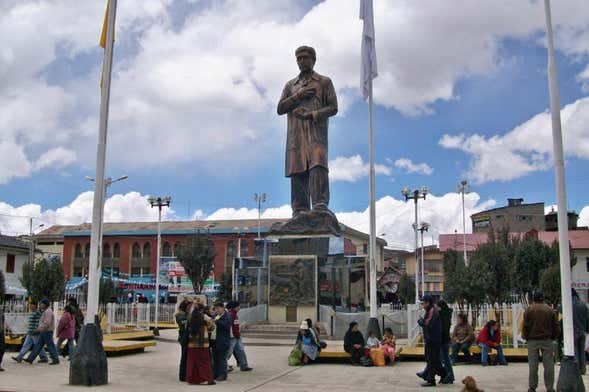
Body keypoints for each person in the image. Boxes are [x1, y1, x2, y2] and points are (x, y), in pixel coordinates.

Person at [276, 45, 339, 230]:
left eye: (305, 57)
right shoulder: (290, 85)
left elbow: (334, 107)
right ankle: (300, 210)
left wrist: (312, 114)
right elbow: (280, 108)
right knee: (297, 171)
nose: (302, 61)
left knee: (318, 166)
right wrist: (298, 96)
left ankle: (320, 205)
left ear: (313, 59)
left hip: (316, 134)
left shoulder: (324, 82)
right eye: (299, 58)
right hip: (296, 137)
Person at [522, 291, 559, 392]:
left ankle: (532, 387)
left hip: (532, 340)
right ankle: (550, 388)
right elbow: (555, 326)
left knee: (533, 365)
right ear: (543, 298)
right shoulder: (549, 310)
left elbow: (525, 326)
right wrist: (554, 337)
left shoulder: (529, 310)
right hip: (547, 340)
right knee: (549, 365)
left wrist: (525, 337)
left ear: (533, 299)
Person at [417, 295, 446, 387]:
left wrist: (420, 321)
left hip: (433, 339)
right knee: (433, 360)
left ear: (428, 303)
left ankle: (431, 380)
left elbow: (428, 323)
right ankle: (443, 374)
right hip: (431, 338)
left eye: (423, 303)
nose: (423, 305)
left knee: (432, 360)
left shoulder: (433, 311)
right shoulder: (430, 310)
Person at [185, 301, 215, 385]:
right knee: (204, 362)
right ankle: (206, 379)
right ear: (202, 309)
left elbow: (186, 327)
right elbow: (212, 327)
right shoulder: (204, 317)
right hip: (203, 343)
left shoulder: (190, 317)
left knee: (193, 362)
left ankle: (193, 379)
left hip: (192, 344)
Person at [25, 299, 60, 365]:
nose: (40, 305)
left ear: (45, 304)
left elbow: (46, 323)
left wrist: (38, 329)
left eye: (41, 304)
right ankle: (30, 358)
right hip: (44, 331)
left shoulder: (48, 312)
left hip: (47, 331)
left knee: (50, 346)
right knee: (38, 345)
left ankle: (55, 359)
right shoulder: (45, 311)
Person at [226, 301, 253, 372]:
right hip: (232, 337)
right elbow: (229, 326)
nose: (239, 308)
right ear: (234, 307)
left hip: (237, 336)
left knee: (240, 351)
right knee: (228, 352)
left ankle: (244, 365)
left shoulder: (234, 314)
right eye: (238, 306)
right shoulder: (231, 315)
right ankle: (224, 366)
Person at [212, 300, 231, 381]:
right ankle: (215, 374)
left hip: (223, 341)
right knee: (215, 359)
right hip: (215, 341)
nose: (217, 310)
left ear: (223, 308)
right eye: (215, 308)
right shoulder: (216, 316)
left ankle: (223, 374)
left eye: (218, 308)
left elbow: (226, 326)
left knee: (222, 359)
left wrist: (216, 322)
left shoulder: (227, 316)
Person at [572, 288, 589, 374]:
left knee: (575, 350)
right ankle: (583, 369)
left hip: (573, 331)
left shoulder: (569, 305)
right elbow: (587, 319)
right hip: (582, 331)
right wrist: (587, 330)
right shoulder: (583, 304)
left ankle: (577, 369)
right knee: (582, 350)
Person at [438, 299, 454, 384]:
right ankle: (447, 376)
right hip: (445, 339)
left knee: (445, 359)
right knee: (444, 359)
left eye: (438, 306)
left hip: (443, 340)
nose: (437, 308)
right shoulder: (446, 314)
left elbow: (443, 329)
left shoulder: (444, 316)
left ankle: (450, 376)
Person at [175, 299, 191, 382]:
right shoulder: (179, 315)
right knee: (184, 357)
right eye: (188, 307)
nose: (189, 308)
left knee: (187, 357)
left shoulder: (187, 314)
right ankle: (182, 376)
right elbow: (184, 322)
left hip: (187, 337)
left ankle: (187, 374)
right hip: (184, 338)